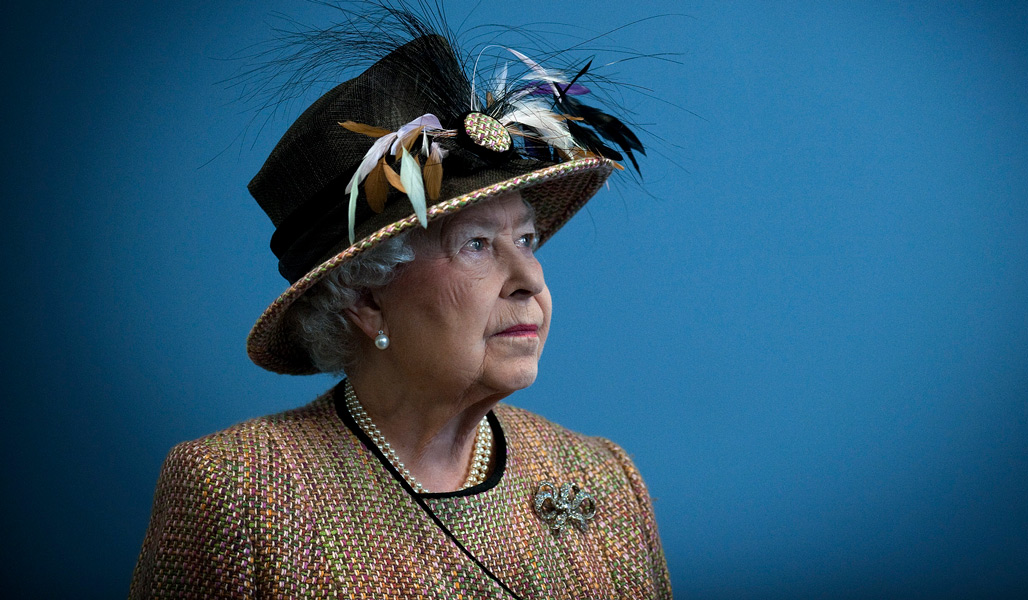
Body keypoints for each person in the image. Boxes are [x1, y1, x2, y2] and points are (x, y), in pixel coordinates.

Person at [129, 4, 670, 599]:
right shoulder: (240, 490)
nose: (529, 280)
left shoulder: (604, 479)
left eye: (525, 240)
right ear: (365, 299)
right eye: (475, 245)